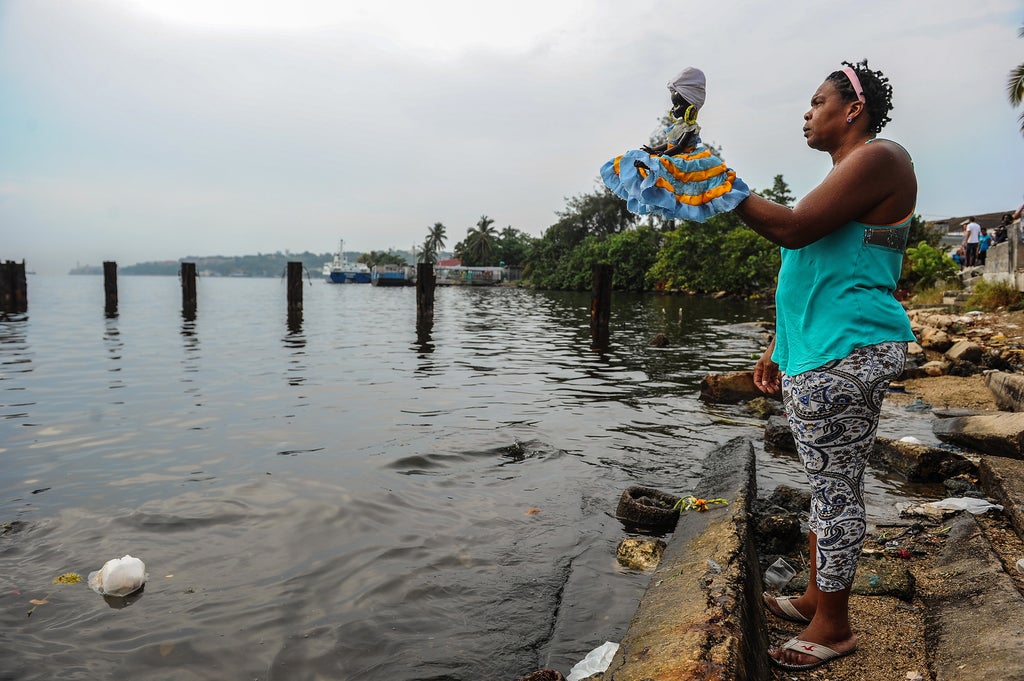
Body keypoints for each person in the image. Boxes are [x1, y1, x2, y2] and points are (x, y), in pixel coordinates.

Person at [734, 59, 916, 672]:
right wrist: (779, 345)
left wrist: (720, 187)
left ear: (853, 110)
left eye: (817, 102)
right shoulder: (844, 175)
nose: (807, 114)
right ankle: (817, 597)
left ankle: (834, 625)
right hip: (823, 346)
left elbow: (792, 230)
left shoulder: (880, 157)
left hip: (850, 348)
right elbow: (812, 267)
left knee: (836, 489)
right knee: (824, 481)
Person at [600, 67, 749, 222]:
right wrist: (654, 150)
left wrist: (660, 156)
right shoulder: (677, 126)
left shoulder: (690, 127)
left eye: (678, 105)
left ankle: (654, 178)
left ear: (690, 107)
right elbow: (669, 144)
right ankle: (649, 181)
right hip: (673, 154)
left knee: (663, 168)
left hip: (685, 157)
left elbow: (680, 147)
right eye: (674, 105)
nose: (674, 109)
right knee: (634, 157)